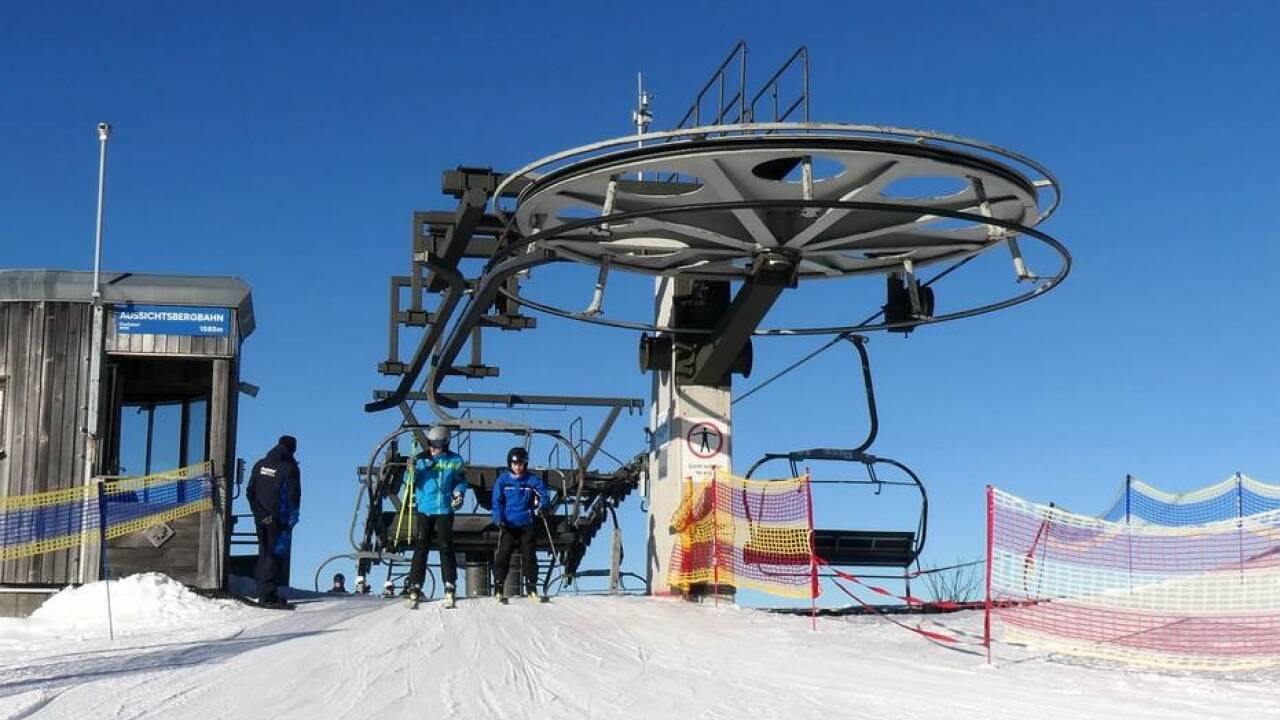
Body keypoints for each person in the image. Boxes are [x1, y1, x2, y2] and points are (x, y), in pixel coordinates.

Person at [406, 425, 467, 608]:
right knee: (421, 545)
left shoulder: (454, 460)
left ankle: (449, 583)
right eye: (431, 444)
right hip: (425, 508)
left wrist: (459, 493)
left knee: (446, 545)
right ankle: (415, 584)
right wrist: (411, 470)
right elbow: (409, 483)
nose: (433, 448)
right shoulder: (421, 460)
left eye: (437, 445)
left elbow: (460, 481)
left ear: (446, 444)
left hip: (445, 509)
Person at [246, 435, 301, 609]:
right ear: (292, 449)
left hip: (261, 517)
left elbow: (250, 492)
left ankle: (263, 590)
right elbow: (293, 496)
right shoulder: (289, 468)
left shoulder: (260, 464)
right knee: (274, 555)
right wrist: (292, 519)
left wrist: (260, 514)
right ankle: (267, 594)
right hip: (279, 519)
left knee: (264, 552)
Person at [491, 446, 549, 604]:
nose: (518, 467)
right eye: (515, 464)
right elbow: (496, 501)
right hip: (509, 524)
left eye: (521, 464)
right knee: (504, 554)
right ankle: (499, 585)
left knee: (529, 555)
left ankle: (531, 586)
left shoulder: (530, 480)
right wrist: (498, 518)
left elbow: (543, 492)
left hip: (526, 522)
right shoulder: (503, 480)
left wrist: (543, 506)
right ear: (510, 464)